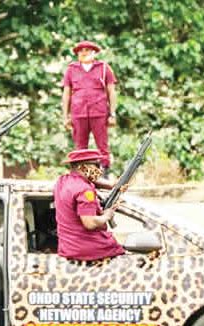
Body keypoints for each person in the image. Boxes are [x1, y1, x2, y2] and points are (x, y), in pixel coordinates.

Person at [54, 149, 125, 262]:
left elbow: (86, 180)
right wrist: (106, 215)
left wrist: (112, 185)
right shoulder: (85, 190)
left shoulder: (62, 181)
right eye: (96, 165)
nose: (100, 169)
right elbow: (90, 223)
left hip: (68, 248)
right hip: (89, 248)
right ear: (83, 167)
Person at [61, 40, 117, 171]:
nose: (83, 53)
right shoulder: (71, 70)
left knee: (102, 145)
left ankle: (104, 171)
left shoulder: (104, 68)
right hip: (78, 113)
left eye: (87, 50)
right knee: (80, 148)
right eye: (80, 51)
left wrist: (113, 114)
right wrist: (65, 116)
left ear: (94, 53)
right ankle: (82, 174)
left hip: (99, 112)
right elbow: (66, 94)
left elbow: (112, 92)